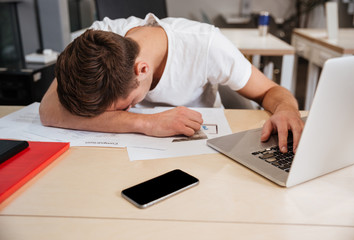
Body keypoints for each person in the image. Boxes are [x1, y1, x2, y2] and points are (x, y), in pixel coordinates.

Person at [39, 13, 304, 153]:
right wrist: (145, 123)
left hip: (200, 154)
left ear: (141, 69)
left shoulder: (205, 44)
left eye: (127, 105)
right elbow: (49, 111)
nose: (122, 115)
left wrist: (287, 110)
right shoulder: (97, 40)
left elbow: (271, 90)